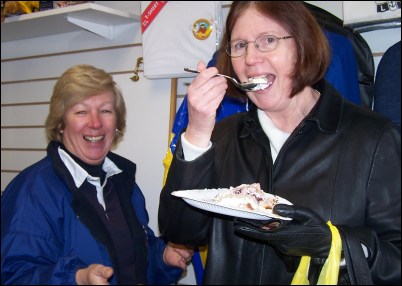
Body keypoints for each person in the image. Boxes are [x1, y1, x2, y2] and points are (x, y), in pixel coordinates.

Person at [158, 2, 400, 285]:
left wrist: (336, 246)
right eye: (239, 45)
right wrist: (197, 131)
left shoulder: (373, 137)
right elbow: (180, 232)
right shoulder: (221, 137)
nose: (250, 59)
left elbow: (396, 259)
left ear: (303, 45)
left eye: (268, 40)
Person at [1, 64, 194, 285]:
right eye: (81, 111)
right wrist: (77, 280)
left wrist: (163, 258)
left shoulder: (121, 180)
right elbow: (15, 276)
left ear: (117, 122)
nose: (95, 123)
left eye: (105, 111)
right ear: (61, 123)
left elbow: (135, 257)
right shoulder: (33, 191)